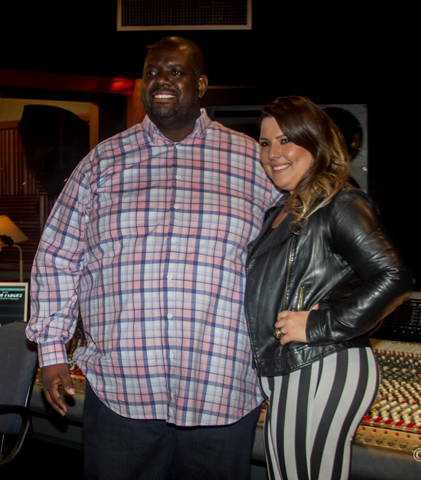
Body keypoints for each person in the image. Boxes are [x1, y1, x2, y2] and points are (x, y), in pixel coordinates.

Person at [25, 36, 280, 479]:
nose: (161, 80)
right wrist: (51, 351)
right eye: (152, 73)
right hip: (121, 392)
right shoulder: (101, 162)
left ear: (201, 85)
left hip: (222, 390)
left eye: (175, 72)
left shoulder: (255, 162)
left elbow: (296, 256)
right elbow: (58, 257)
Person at [244, 96, 413, 480]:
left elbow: (395, 277)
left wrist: (319, 325)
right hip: (297, 367)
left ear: (316, 142)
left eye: (286, 140)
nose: (273, 153)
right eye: (266, 143)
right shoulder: (282, 210)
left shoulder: (341, 203)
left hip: (320, 362)